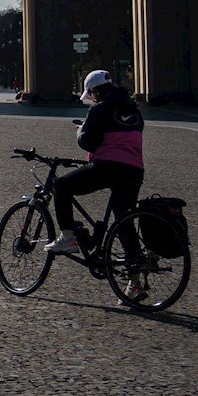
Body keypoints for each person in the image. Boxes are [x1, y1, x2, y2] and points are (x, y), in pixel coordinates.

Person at [47, 70, 148, 299]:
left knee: (62, 185)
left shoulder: (99, 108)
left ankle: (68, 237)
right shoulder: (134, 110)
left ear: (94, 91)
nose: (90, 97)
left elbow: (88, 142)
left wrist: (81, 130)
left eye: (90, 93)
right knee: (124, 219)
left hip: (108, 166)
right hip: (134, 169)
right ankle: (135, 283)